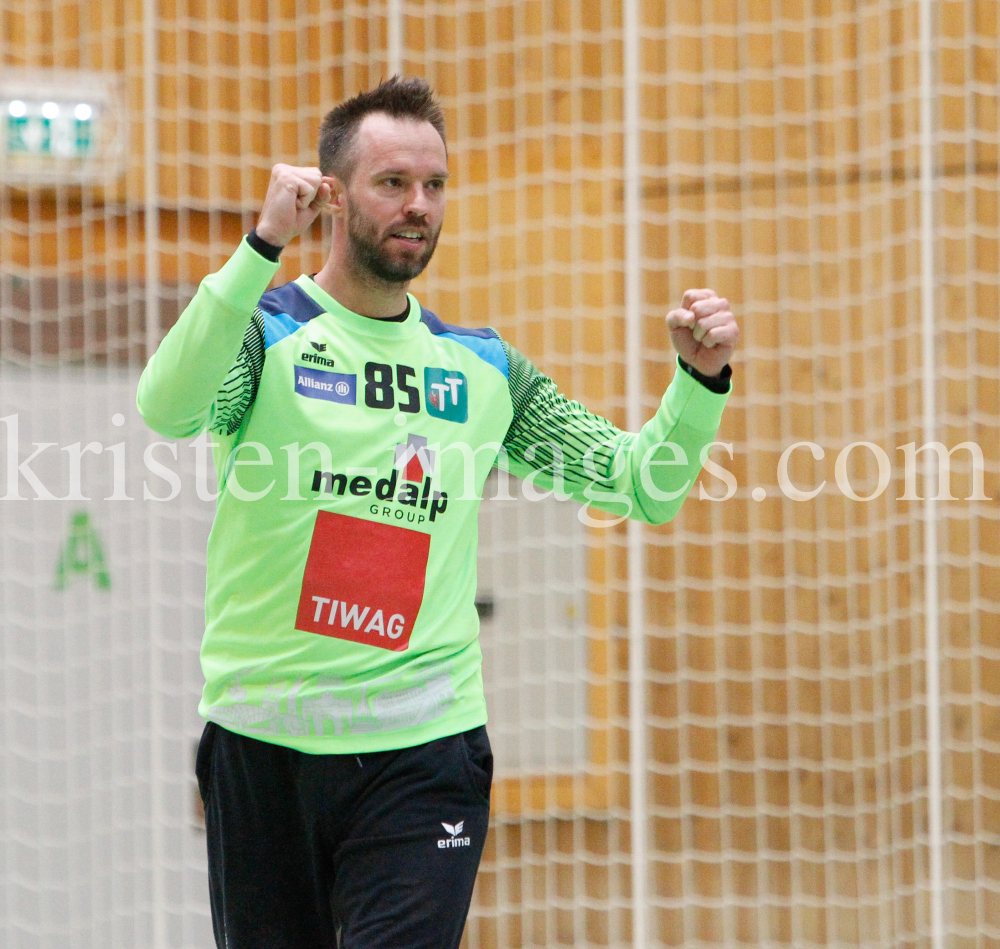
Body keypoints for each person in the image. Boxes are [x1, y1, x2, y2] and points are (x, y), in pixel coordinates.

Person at [137, 76, 738, 949]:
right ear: (334, 195)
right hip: (263, 742)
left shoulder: (483, 369)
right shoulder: (267, 336)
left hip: (425, 748)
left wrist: (700, 383)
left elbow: (639, 482)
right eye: (393, 183)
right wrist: (261, 246)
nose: (419, 206)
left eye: (435, 184)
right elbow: (168, 405)